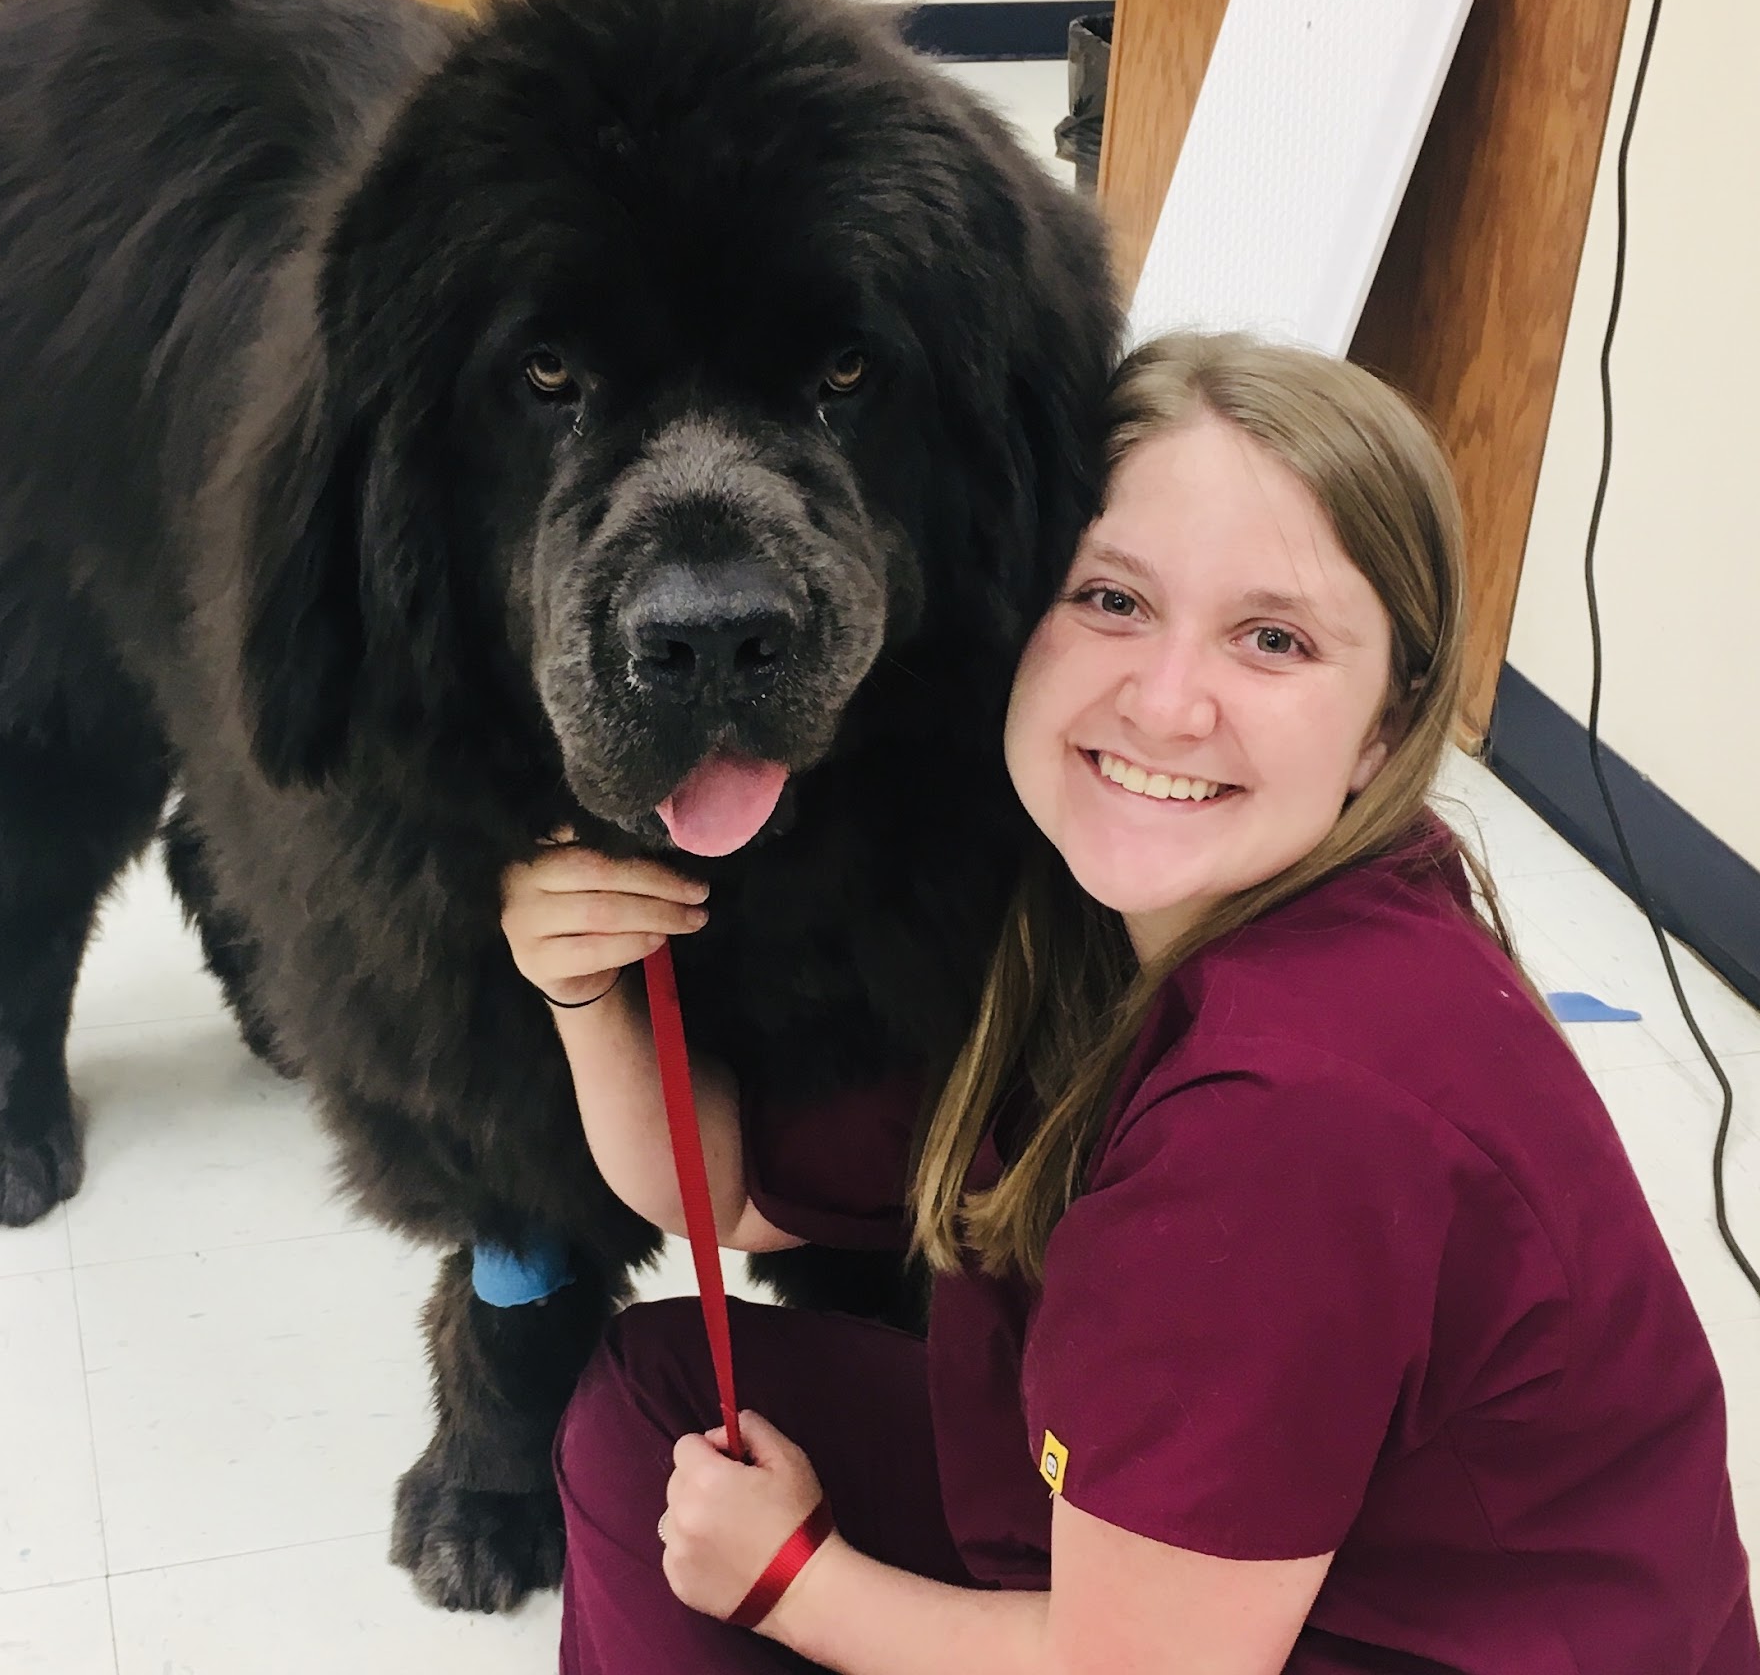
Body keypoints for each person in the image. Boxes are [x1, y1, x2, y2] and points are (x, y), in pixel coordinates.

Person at [503, 332, 1757, 1674]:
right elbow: (735, 1197)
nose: (1166, 703)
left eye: (1271, 639)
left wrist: (798, 1585)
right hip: (1253, 1576)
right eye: (1110, 601)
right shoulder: (1096, 924)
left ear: (1386, 727)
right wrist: (588, 991)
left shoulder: (1283, 1119)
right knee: (659, 1401)